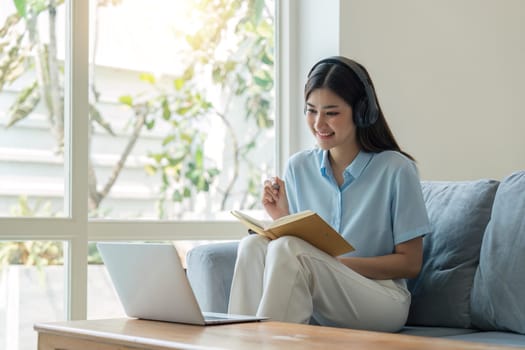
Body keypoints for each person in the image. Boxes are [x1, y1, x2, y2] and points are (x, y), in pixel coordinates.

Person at [228, 56, 431, 332]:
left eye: (331, 113)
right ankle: (238, 341)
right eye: (311, 111)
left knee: (290, 249)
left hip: (381, 298)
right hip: (320, 292)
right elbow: (297, 257)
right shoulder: (298, 167)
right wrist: (281, 218)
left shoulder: (397, 170)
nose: (319, 123)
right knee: (252, 246)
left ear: (361, 113)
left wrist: (334, 265)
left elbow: (410, 263)